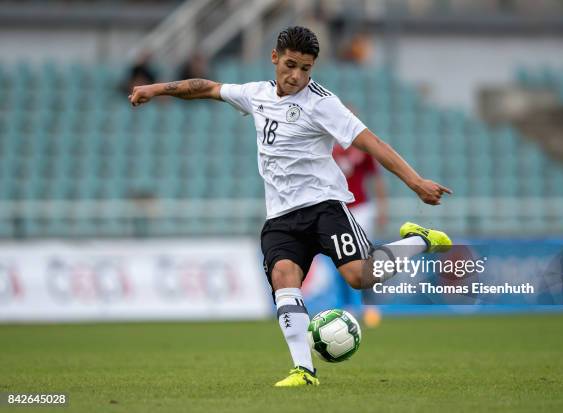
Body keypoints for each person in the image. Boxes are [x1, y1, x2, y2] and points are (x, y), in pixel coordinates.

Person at [129, 26, 452, 387]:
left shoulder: (322, 103)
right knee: (284, 277)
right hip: (280, 216)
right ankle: (304, 369)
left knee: (359, 276)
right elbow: (205, 87)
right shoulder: (256, 94)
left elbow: (371, 142)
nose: (297, 75)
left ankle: (420, 240)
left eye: (306, 68)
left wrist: (415, 181)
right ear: (274, 58)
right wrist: (155, 89)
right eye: (291, 64)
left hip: (324, 207)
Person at [332, 143, 387, 326]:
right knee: (340, 258)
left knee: (364, 256)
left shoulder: (361, 147)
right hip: (337, 209)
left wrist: (382, 208)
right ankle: (347, 305)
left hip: (361, 208)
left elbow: (376, 178)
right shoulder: (326, 146)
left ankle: (369, 304)